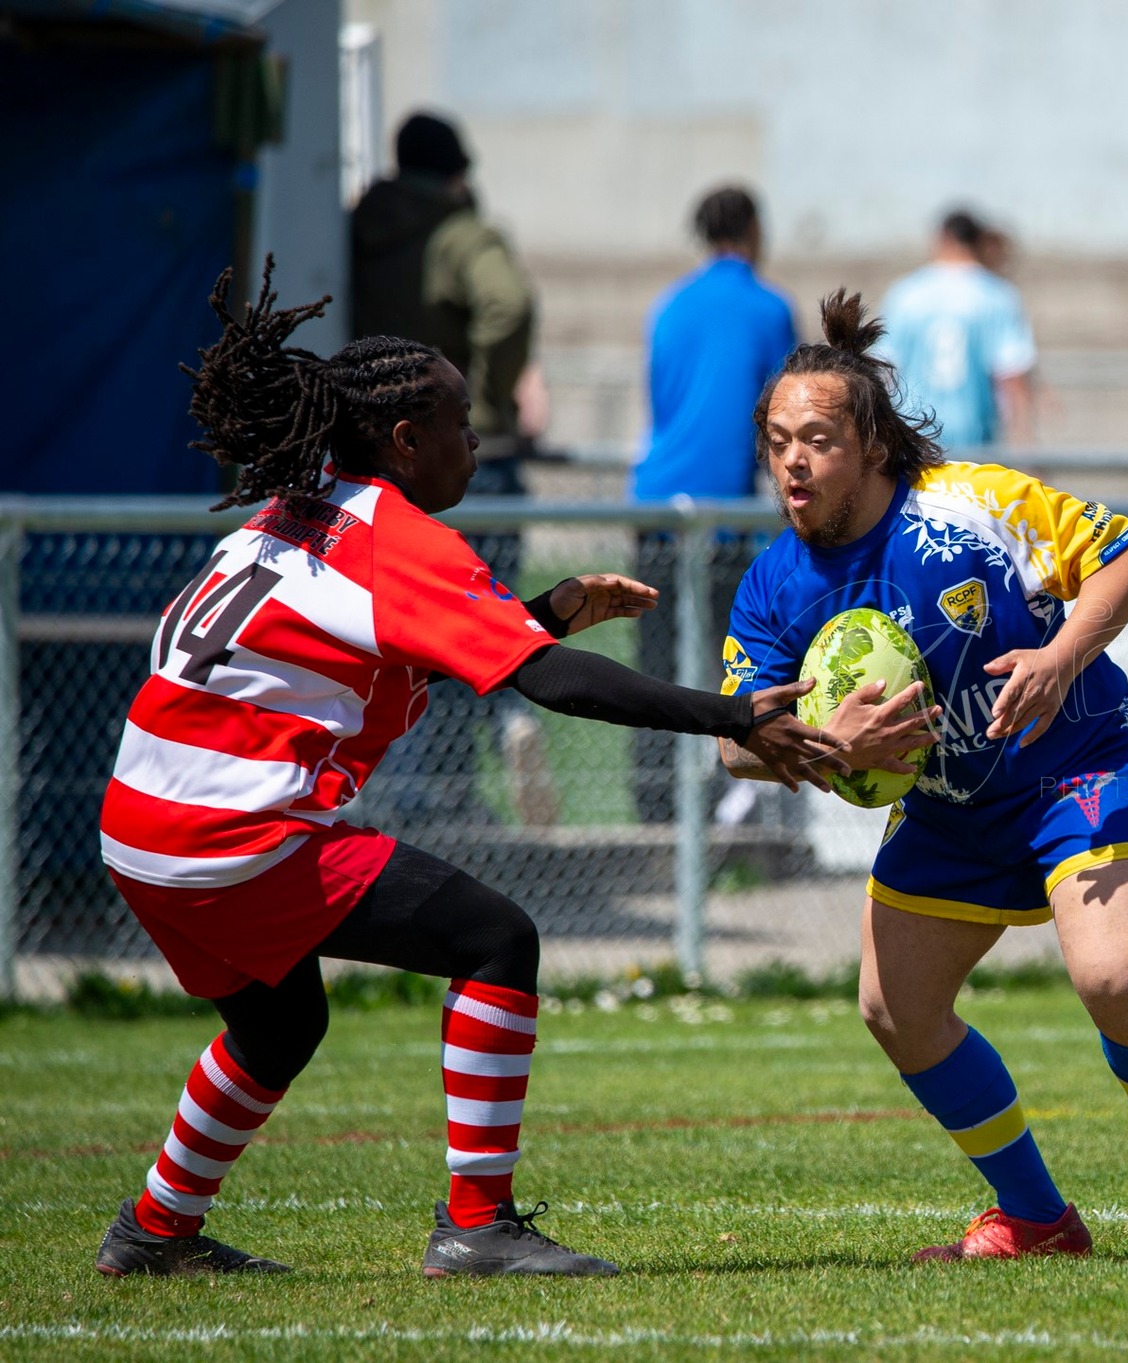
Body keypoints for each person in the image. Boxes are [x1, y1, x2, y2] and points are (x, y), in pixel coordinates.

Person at [92, 262, 843, 1279]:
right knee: (494, 939)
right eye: (459, 420)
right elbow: (555, 687)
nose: (477, 439)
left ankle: (153, 1232)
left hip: (141, 825)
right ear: (405, 441)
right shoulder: (399, 539)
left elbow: (431, 645)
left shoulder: (298, 512)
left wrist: (539, 613)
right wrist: (732, 714)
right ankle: (477, 1225)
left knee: (279, 1022)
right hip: (233, 830)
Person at [718, 290, 1128, 1259]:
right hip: (951, 808)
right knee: (893, 1009)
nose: (794, 461)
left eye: (819, 439)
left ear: (871, 446)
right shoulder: (772, 584)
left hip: (1072, 762)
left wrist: (1057, 659)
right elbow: (734, 736)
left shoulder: (970, 504)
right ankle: (1037, 1217)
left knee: (1117, 973)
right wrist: (820, 741)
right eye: (779, 441)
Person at [351, 110, 549, 826]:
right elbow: (509, 301)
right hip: (472, 465)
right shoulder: (459, 234)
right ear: (458, 170)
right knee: (474, 625)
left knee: (398, 632)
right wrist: (487, 400)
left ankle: (409, 796)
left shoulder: (355, 232)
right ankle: (468, 780)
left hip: (381, 463)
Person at [631, 185, 799, 823]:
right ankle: (739, 806)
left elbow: (663, 403)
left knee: (655, 672)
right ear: (754, 230)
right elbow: (788, 414)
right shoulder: (766, 306)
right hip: (723, 515)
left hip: (651, 504)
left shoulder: (669, 305)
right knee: (742, 663)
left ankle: (657, 811)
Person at [876, 209, 1037, 451]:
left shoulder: (905, 293)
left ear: (942, 238)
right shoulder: (997, 295)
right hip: (974, 439)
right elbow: (1012, 374)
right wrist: (1026, 445)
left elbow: (883, 367)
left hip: (913, 434)